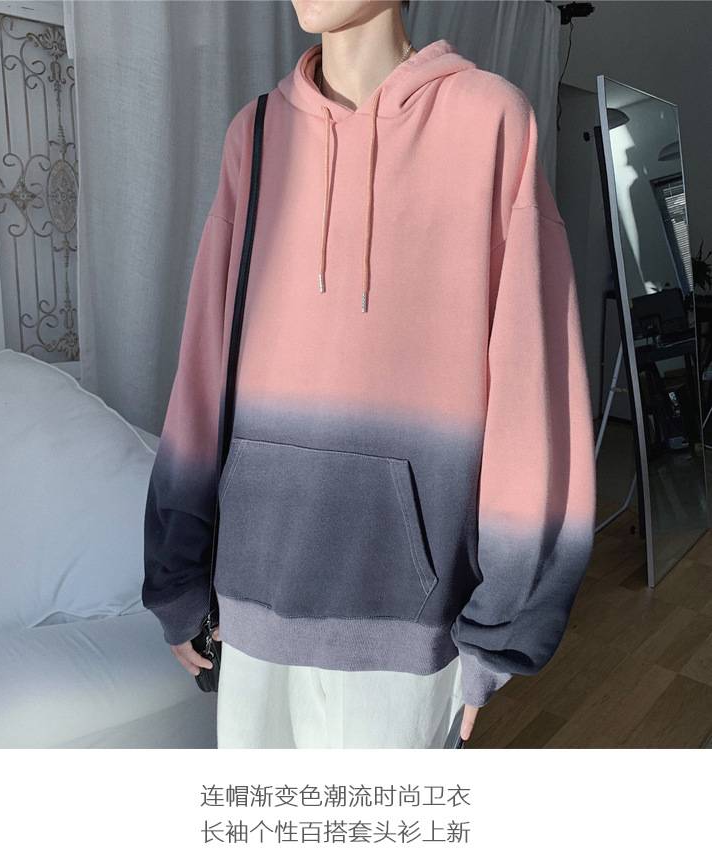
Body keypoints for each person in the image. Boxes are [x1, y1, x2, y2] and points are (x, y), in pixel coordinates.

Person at [141, 0, 596, 748]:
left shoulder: (490, 121)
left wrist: (501, 630)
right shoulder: (257, 134)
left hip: (405, 619)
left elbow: (530, 387)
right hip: (251, 594)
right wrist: (177, 571)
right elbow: (203, 369)